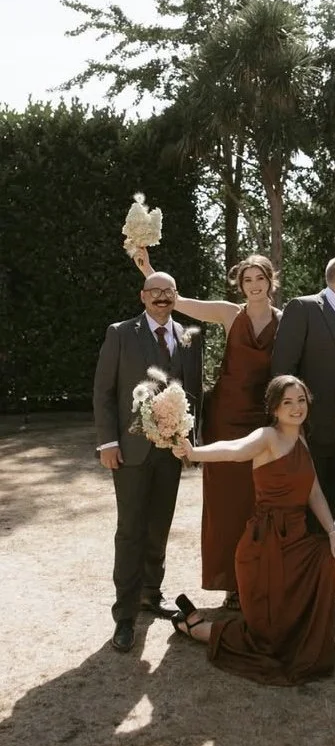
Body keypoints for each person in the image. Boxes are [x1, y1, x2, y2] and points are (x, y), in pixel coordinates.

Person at [169, 375, 335, 686]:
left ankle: (310, 627)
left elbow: (313, 490)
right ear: (274, 408)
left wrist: (333, 532)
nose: (296, 408)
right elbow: (234, 449)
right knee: (266, 641)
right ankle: (195, 627)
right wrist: (194, 453)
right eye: (288, 402)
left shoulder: (301, 438)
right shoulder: (268, 436)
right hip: (265, 548)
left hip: (298, 540)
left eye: (301, 400)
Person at [134, 248, 280, 610]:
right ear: (240, 285)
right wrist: (149, 269)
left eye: (260, 278)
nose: (254, 285)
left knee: (259, 501)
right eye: (247, 280)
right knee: (226, 503)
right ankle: (231, 584)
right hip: (226, 417)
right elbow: (179, 301)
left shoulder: (286, 320)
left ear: (270, 281)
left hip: (263, 420)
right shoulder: (230, 314)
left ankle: (261, 579)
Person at [93, 271, 203, 653]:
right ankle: (124, 617)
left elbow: (195, 391)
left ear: (175, 295)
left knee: (160, 525)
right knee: (131, 530)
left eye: (168, 291)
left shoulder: (189, 338)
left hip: (171, 452)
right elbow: (104, 391)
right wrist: (108, 442)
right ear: (143, 296)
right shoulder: (121, 333)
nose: (161, 297)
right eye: (154, 291)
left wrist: (192, 443)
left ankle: (151, 594)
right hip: (132, 452)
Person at [270, 254, 335, 517]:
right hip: (310, 433)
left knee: (331, 515)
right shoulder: (303, 308)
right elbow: (282, 373)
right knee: (304, 516)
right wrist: (292, 428)